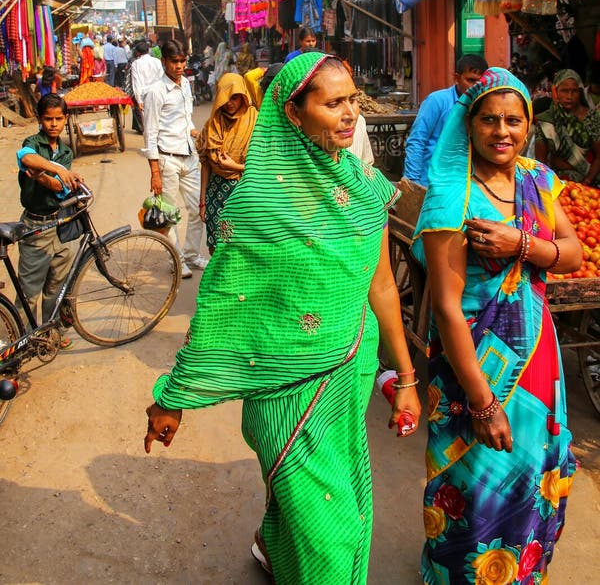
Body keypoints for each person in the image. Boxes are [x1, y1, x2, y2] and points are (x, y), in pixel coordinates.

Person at [144, 53, 421, 584]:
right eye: (333, 103)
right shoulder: (256, 203)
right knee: (329, 529)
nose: (349, 115)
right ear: (293, 112)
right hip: (282, 388)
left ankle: (273, 543)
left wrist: (405, 378)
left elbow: (382, 285)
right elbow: (224, 305)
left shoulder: (363, 189)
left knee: (316, 492)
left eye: (353, 101)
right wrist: (173, 398)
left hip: (348, 371)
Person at [412, 67, 581, 583]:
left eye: (513, 120)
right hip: (476, 368)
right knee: (477, 481)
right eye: (489, 119)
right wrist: (482, 401)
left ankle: (521, 569)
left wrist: (521, 246)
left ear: (528, 124)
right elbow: (445, 306)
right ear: (469, 123)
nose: (502, 131)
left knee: (532, 471)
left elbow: (572, 254)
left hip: (538, 361)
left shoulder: (538, 181)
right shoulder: (452, 196)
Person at [16, 94, 84, 349]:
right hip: (35, 226)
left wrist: (44, 175)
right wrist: (56, 170)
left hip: (60, 224)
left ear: (65, 119)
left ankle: (49, 332)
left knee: (56, 284)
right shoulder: (32, 142)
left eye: (58, 119)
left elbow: (59, 187)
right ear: (40, 119)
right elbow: (26, 159)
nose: (53, 124)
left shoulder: (65, 151)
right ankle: (18, 340)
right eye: (48, 119)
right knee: (29, 290)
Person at [143, 40, 207, 278]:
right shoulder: (156, 92)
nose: (179, 66)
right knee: (168, 213)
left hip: (189, 156)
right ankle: (177, 258)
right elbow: (150, 134)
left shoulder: (186, 85)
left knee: (198, 207)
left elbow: (186, 119)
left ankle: (191, 254)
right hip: (166, 159)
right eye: (175, 61)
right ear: (164, 62)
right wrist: (155, 172)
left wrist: (195, 132)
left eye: (182, 61)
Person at [403, 54, 488, 187]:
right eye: (470, 80)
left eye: (480, 83)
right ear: (456, 78)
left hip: (463, 184)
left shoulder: (483, 107)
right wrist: (412, 182)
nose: (475, 87)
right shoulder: (437, 101)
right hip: (430, 182)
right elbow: (417, 141)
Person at [197, 73, 258, 254]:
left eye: (235, 98)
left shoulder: (255, 121)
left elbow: (262, 166)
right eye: (226, 98)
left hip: (244, 192)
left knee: (240, 247)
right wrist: (203, 202)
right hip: (215, 193)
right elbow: (206, 164)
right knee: (216, 246)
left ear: (243, 98)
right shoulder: (212, 125)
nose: (230, 103)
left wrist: (235, 167)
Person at [535, 68, 600, 187]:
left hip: (590, 183)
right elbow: (540, 162)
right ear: (556, 92)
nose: (569, 96)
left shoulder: (593, 118)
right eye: (564, 91)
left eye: (574, 91)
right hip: (557, 184)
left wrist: (587, 183)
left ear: (580, 92)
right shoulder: (546, 120)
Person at [130, 40, 163, 135]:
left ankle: (151, 145)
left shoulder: (135, 64)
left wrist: (138, 100)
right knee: (159, 119)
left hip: (144, 95)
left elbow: (136, 83)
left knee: (148, 124)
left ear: (138, 52)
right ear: (148, 50)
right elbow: (162, 78)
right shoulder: (157, 61)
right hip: (157, 93)